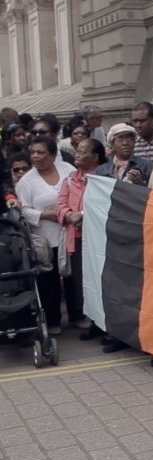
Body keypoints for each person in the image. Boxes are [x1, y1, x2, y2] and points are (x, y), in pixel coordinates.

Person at [16, 136, 76, 335]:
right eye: (33, 152)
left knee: (73, 277)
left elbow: (80, 192)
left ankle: (77, 315)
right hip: (45, 237)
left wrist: (69, 213)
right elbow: (23, 211)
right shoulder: (26, 181)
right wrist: (49, 215)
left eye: (41, 152)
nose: (36, 156)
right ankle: (53, 321)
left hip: (71, 231)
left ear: (52, 154)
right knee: (48, 281)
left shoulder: (68, 169)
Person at [57, 138, 107, 332]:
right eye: (77, 151)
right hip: (76, 237)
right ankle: (92, 323)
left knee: (100, 280)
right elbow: (60, 204)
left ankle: (105, 325)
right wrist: (69, 214)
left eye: (83, 152)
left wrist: (83, 215)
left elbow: (104, 204)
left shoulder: (104, 177)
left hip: (99, 238)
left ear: (95, 157)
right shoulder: (70, 178)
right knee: (82, 282)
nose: (77, 154)